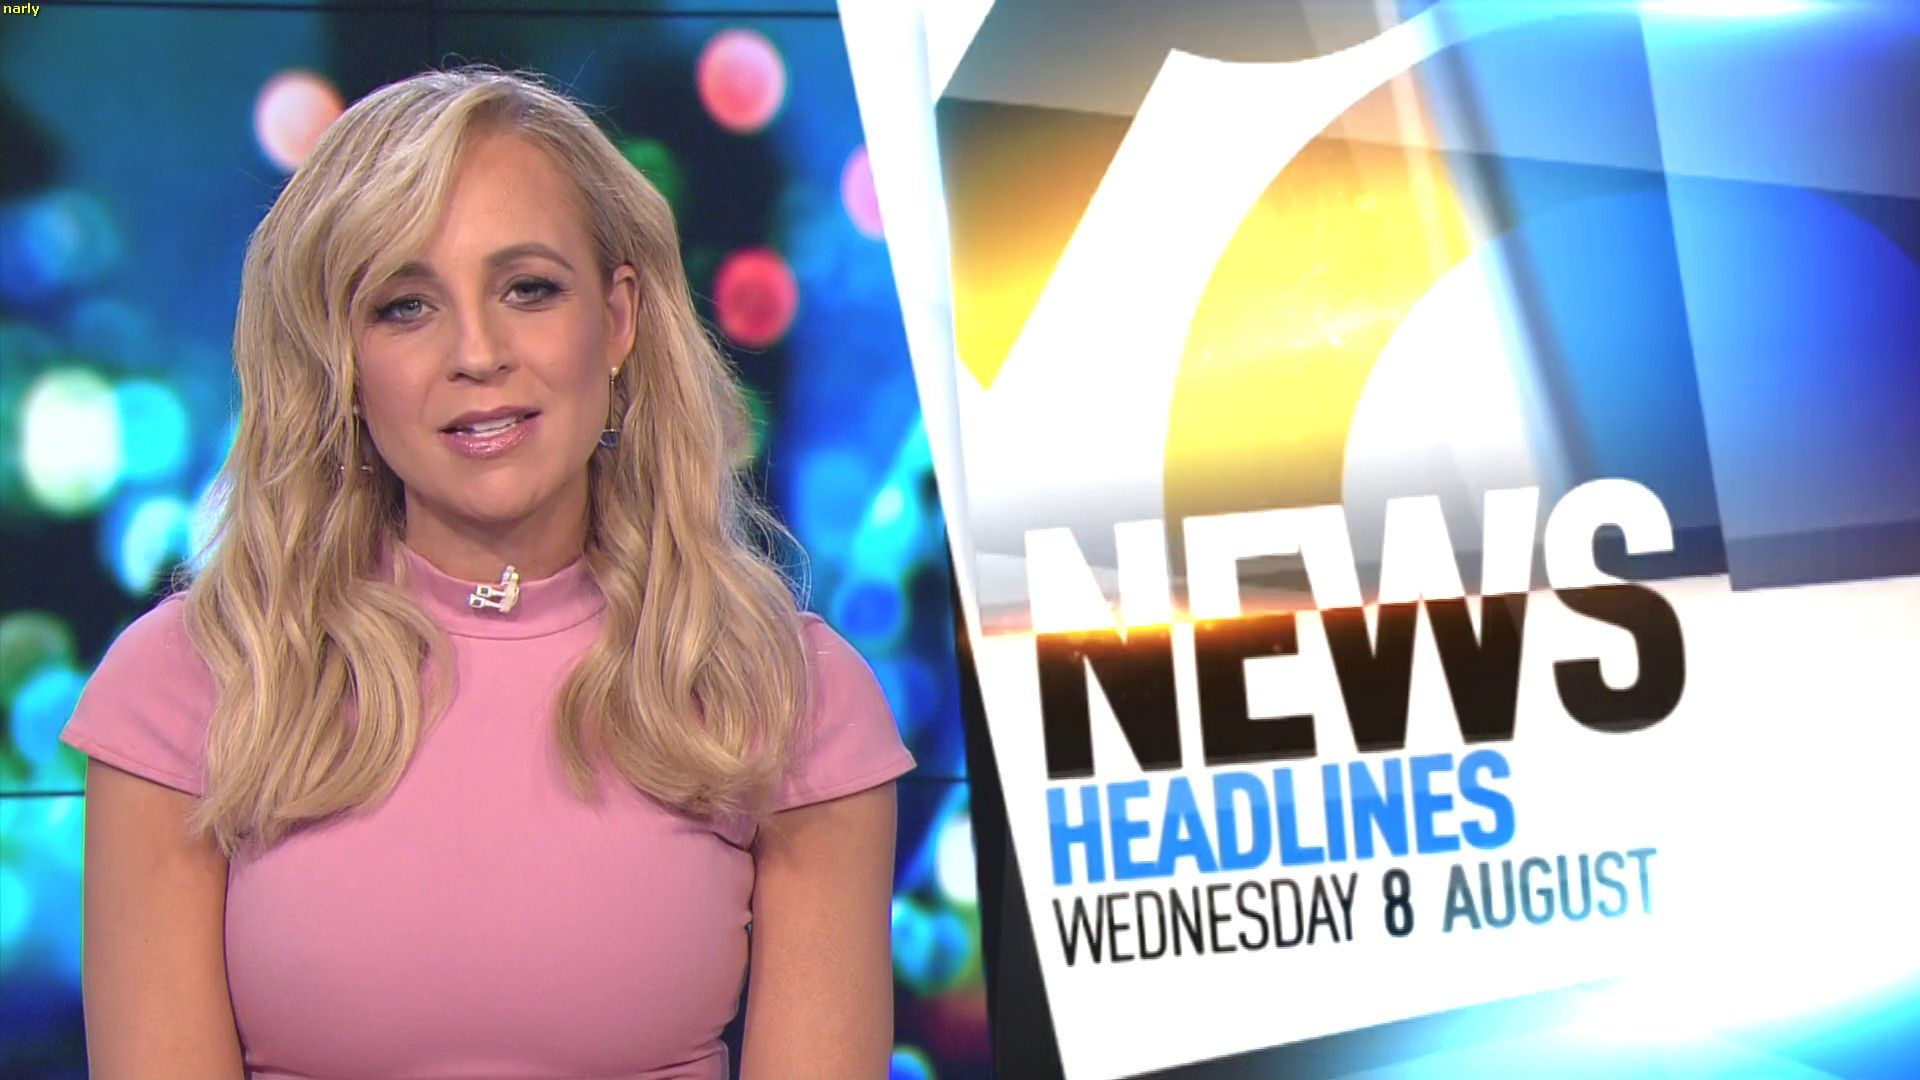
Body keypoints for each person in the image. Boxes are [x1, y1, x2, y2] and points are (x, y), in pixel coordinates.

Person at [57, 64, 915, 1080]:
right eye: (405, 306)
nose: (477, 352)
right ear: (342, 360)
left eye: (528, 289)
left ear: (619, 319)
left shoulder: (787, 697)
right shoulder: (185, 686)